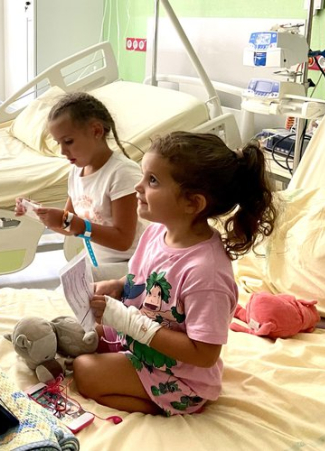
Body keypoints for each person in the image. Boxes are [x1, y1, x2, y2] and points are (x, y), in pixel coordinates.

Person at [73, 132, 277, 416]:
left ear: (192, 203)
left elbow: (205, 354)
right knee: (81, 335)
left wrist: (129, 323)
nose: (138, 186)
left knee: (84, 370)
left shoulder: (206, 273)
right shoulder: (157, 232)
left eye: (152, 181)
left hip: (180, 379)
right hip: (141, 347)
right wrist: (118, 286)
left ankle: (163, 409)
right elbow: (143, 280)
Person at [16, 92, 144, 281]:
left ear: (96, 131)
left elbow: (123, 240)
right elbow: (68, 225)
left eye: (68, 141)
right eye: (58, 143)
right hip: (101, 264)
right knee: (74, 281)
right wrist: (40, 214)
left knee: (76, 281)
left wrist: (70, 222)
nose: (62, 151)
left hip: (132, 266)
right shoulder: (77, 172)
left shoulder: (122, 173)